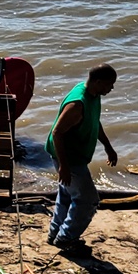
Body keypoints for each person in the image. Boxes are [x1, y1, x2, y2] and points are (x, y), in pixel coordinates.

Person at [46, 64, 118, 256]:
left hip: (75, 157)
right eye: (109, 85)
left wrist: (108, 146)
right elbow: (57, 133)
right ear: (98, 82)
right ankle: (66, 238)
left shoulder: (93, 96)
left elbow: (95, 121)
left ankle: (55, 233)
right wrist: (63, 166)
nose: (111, 89)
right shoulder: (78, 104)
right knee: (88, 201)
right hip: (69, 158)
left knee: (67, 195)